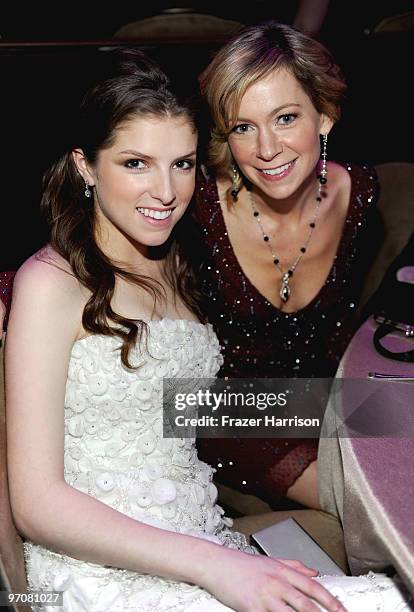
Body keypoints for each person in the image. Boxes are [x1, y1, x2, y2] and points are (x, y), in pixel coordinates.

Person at [4, 47, 348, 612]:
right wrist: (217, 566)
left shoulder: (174, 259)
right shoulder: (47, 285)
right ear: (86, 166)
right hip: (106, 568)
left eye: (183, 163)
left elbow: (192, 406)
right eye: (135, 163)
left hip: (202, 535)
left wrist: (368, 414)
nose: (166, 192)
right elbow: (37, 505)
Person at [194, 21, 380, 509]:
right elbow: (92, 245)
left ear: (324, 115)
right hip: (223, 411)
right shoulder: (196, 203)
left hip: (326, 397)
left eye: (285, 118)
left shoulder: (356, 193)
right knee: (365, 503)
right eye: (243, 127)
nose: (267, 149)